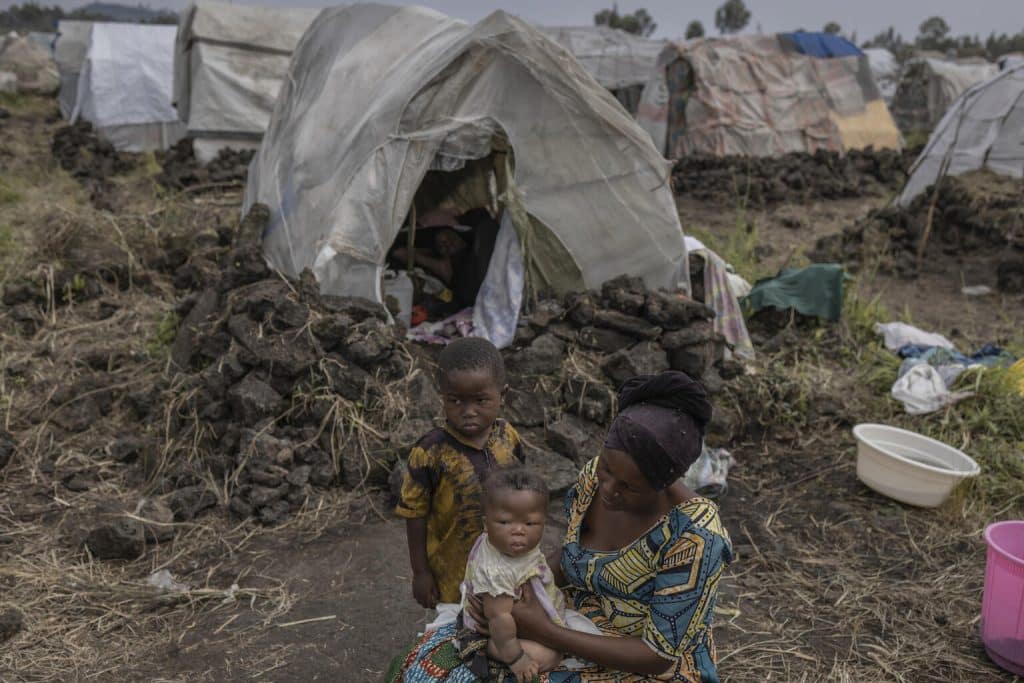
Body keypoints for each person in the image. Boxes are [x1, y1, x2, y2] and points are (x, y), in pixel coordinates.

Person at [388, 371, 734, 683]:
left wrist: (544, 629)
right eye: (608, 468)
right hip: (571, 620)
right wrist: (507, 589)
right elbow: (570, 559)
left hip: (643, 666)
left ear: (666, 481)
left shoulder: (696, 536)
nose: (609, 489)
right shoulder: (593, 479)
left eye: (630, 486)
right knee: (430, 666)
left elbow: (657, 657)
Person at [395, 337, 525, 612]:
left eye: (480, 400)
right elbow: (414, 514)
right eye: (455, 401)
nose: (468, 412)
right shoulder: (430, 451)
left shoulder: (507, 437)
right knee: (456, 632)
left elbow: (521, 491)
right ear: (442, 396)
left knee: (503, 622)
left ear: (503, 395)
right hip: (453, 573)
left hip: (504, 563)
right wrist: (421, 572)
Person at [458, 467, 563, 682]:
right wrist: (517, 658)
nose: (518, 530)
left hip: (521, 614)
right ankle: (491, 651)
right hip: (493, 632)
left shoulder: (511, 545)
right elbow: (499, 618)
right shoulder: (496, 570)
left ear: (543, 522)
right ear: (486, 525)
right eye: (505, 522)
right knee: (550, 656)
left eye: (530, 523)